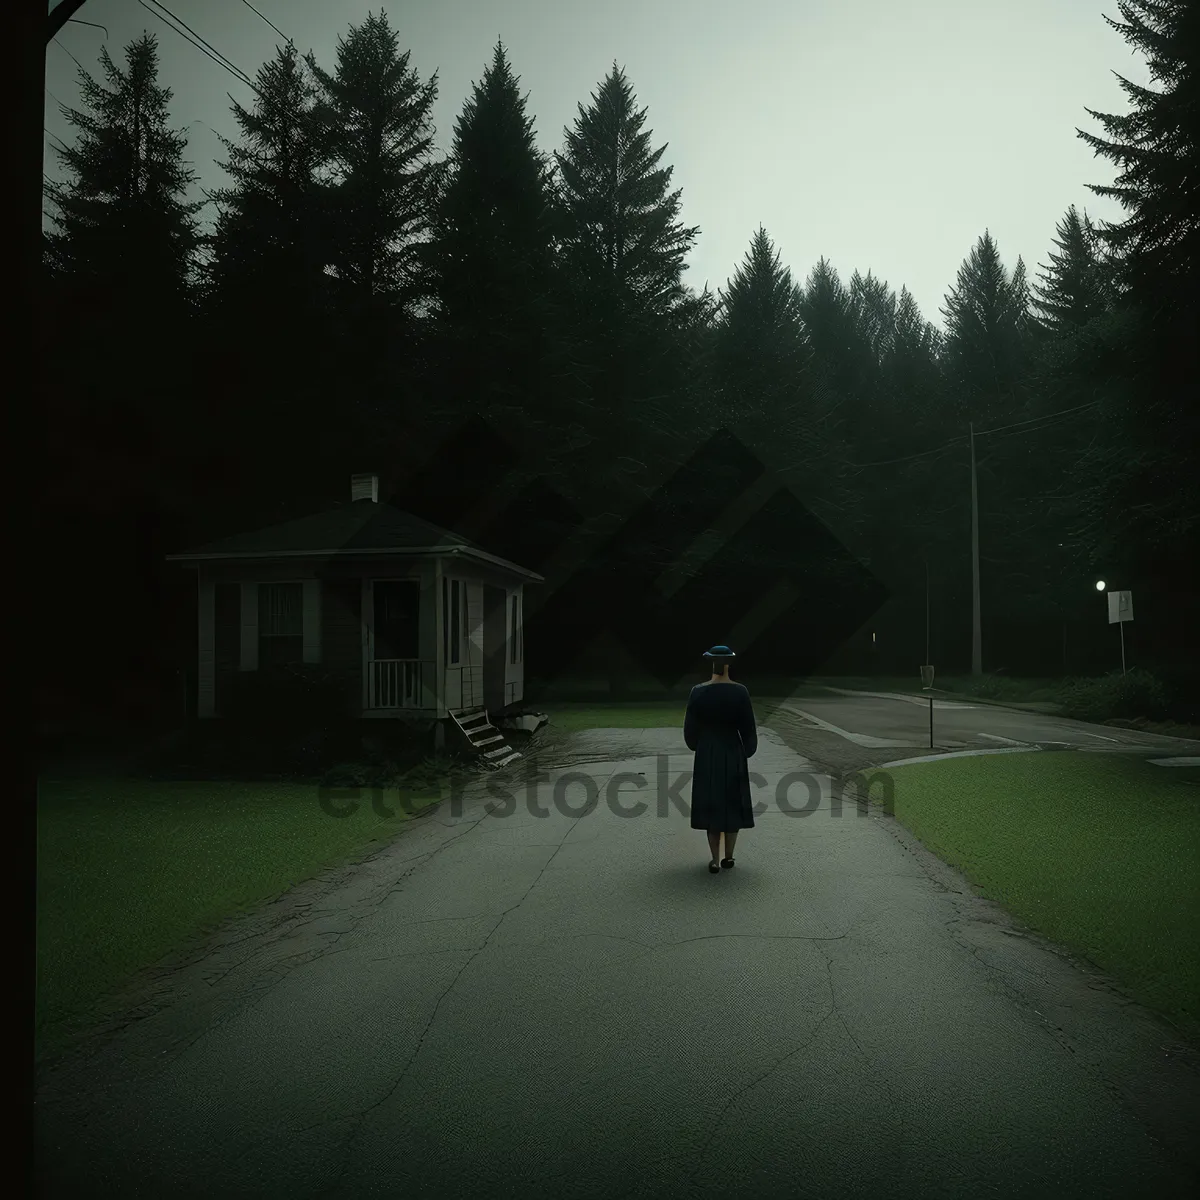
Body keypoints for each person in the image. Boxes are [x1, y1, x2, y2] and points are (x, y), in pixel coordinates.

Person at [683, 645, 758, 874]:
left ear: (711, 664)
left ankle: (714, 859)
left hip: (707, 751)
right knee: (732, 801)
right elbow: (748, 727)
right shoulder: (740, 692)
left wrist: (698, 745)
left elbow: (690, 730)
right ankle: (729, 857)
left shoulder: (698, 691)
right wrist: (746, 750)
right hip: (732, 749)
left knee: (711, 801)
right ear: (729, 664)